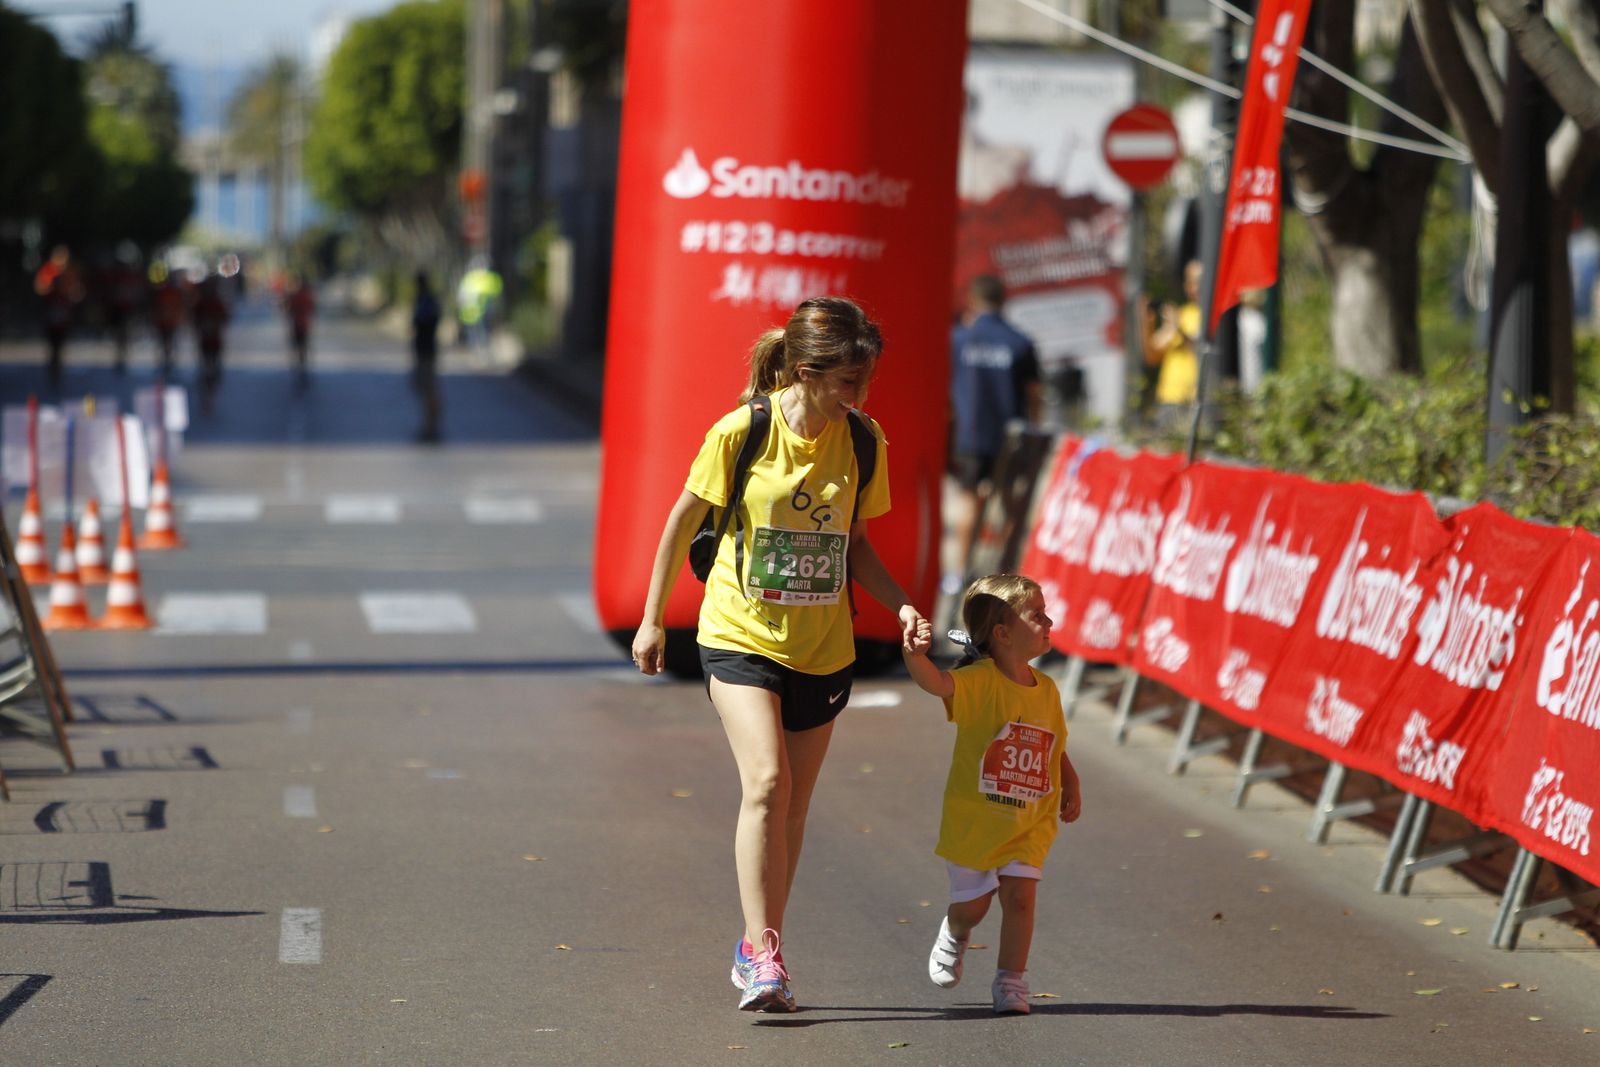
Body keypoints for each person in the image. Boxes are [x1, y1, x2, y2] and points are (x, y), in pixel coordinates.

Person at [631, 296, 927, 1013]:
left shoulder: (863, 441)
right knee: (767, 782)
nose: (859, 397)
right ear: (805, 371)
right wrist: (651, 620)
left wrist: (905, 604)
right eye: (848, 383)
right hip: (738, 632)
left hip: (824, 645)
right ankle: (766, 956)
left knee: (793, 807)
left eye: (865, 382)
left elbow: (856, 544)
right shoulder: (743, 431)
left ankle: (753, 940)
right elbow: (682, 520)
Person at [903, 573, 1083, 1015]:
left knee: (1021, 898)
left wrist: (1070, 779)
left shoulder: (1049, 689)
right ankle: (955, 929)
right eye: (1037, 615)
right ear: (1003, 633)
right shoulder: (980, 681)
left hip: (1029, 820)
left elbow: (1052, 741)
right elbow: (937, 684)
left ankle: (1011, 981)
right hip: (977, 822)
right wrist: (914, 655)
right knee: (974, 907)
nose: (1049, 620)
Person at [947, 274, 1041, 595]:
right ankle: (1005, 576)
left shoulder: (959, 339)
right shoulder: (1019, 341)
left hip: (971, 434)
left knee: (969, 502)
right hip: (1010, 437)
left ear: (973, 300)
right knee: (1010, 506)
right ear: (1003, 300)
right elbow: (1034, 395)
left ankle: (960, 574)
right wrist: (1034, 434)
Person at [1148, 259, 1203, 414]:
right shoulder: (1182, 313)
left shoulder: (1214, 314)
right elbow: (1152, 355)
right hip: (1169, 399)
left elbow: (1198, 346)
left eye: (1200, 281)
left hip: (1196, 400)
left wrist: (1178, 326)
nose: (1196, 287)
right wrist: (1147, 322)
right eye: (1192, 282)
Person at [34, 245, 83, 386]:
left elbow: (76, 290)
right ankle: (53, 372)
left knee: (60, 347)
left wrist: (75, 294)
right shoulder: (48, 270)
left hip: (64, 316)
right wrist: (50, 287)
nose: (64, 263)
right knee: (53, 347)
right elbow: (39, 287)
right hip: (50, 314)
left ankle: (57, 372)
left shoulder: (69, 272)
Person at [410, 272, 443, 442]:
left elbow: (425, 323)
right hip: (423, 350)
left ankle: (432, 427)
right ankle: (429, 427)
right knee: (425, 391)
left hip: (426, 351)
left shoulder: (427, 301)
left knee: (429, 390)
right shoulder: (424, 300)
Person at [192, 275, 231, 413]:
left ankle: (211, 387)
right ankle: (207, 390)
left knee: (213, 365)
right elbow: (195, 320)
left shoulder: (216, 302)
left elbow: (225, 318)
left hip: (215, 340)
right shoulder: (201, 303)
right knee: (207, 366)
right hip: (206, 340)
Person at [283, 274, 316, 388]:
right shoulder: (308, 296)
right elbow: (312, 309)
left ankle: (299, 366)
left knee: (297, 348)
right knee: (303, 348)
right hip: (305, 326)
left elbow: (288, 309)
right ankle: (302, 366)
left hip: (297, 326)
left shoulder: (296, 296)